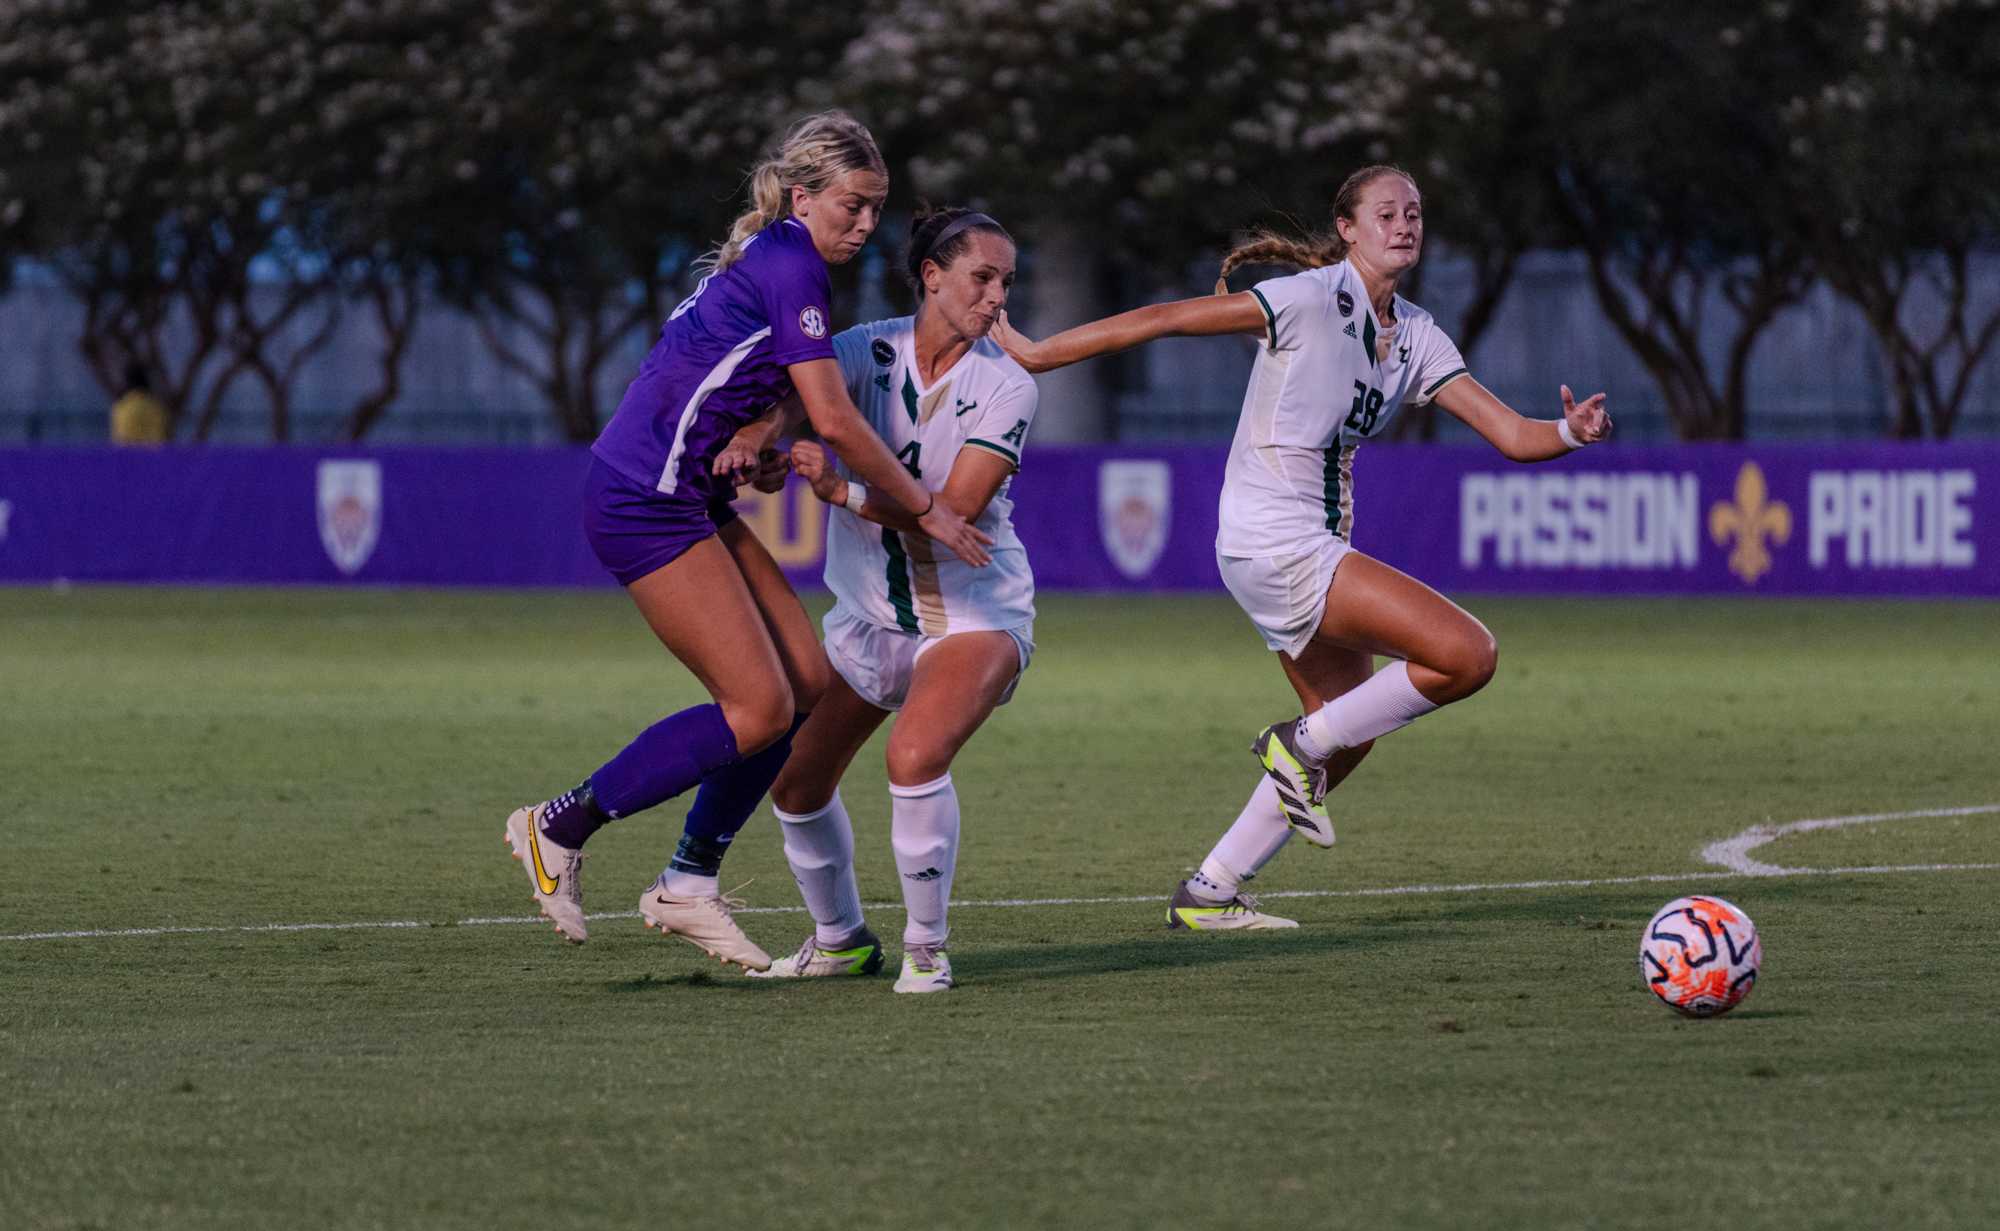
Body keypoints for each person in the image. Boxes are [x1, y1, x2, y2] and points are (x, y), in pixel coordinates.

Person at [994, 164, 1612, 930]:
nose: (1405, 223)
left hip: (1291, 543)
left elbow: (1514, 435)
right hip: (1275, 537)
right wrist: (1039, 354)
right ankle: (1294, 743)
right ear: (1346, 230)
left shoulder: (1413, 332)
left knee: (1347, 731)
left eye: (1414, 212)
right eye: (1385, 212)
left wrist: (1568, 433)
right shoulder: (1306, 299)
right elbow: (1164, 316)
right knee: (1466, 654)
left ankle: (1212, 888)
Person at [503, 111, 991, 970]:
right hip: (641, 496)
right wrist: (925, 506)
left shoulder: (781, 254)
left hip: (684, 490)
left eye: (876, 207)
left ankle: (688, 880)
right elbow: (836, 413)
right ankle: (558, 824)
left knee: (804, 685)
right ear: (803, 196)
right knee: (759, 708)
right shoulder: (793, 262)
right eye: (852, 205)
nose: (866, 223)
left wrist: (758, 438)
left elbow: (754, 381)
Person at [725, 207, 1037, 994]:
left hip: (976, 615)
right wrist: (763, 448)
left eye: (1006, 281)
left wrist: (841, 489)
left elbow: (954, 511)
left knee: (913, 754)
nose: (997, 295)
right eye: (983, 276)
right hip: (868, 619)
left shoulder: (1008, 385)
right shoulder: (864, 349)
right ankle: (839, 939)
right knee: (794, 781)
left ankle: (926, 946)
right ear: (932, 276)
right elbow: (793, 407)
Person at [109, 364, 169, 446]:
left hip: (127, 456)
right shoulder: (155, 407)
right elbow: (159, 439)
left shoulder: (121, 408)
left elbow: (119, 440)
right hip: (150, 456)